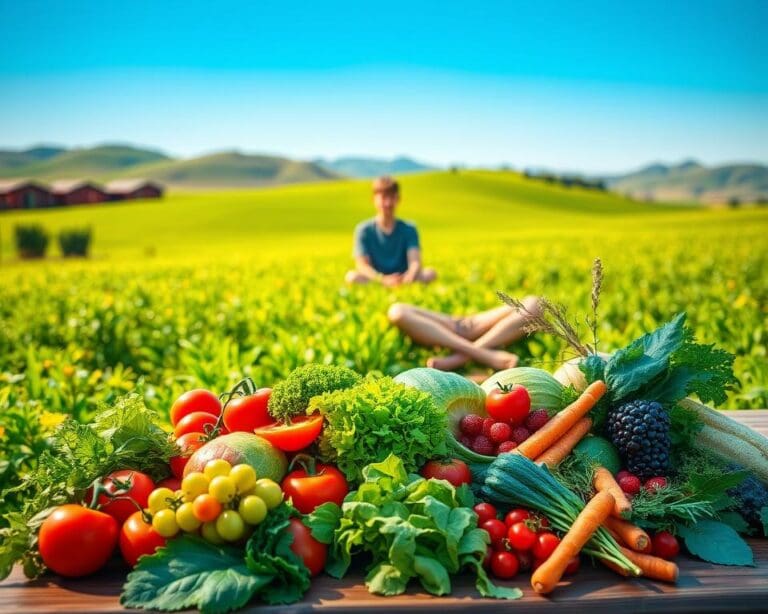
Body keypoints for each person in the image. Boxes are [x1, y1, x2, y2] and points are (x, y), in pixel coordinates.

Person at [387, 296, 542, 371]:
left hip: (475, 323)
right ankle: (481, 353)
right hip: (452, 324)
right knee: (397, 311)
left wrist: (455, 360)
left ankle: (459, 358)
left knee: (535, 303)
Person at [345, 176, 437, 286]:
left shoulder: (409, 228)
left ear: (398, 199)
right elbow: (362, 265)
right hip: (377, 279)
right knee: (351, 277)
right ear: (374, 199)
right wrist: (382, 279)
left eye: (391, 197)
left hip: (404, 278)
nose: (388, 203)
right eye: (383, 198)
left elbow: (415, 261)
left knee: (431, 273)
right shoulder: (364, 230)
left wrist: (409, 277)